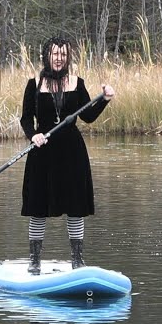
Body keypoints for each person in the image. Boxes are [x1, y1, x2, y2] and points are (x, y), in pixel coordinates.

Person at [20, 36, 116, 274]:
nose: (59, 59)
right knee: (38, 206)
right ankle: (34, 261)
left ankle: (77, 260)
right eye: (55, 54)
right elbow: (25, 118)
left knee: (75, 207)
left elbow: (88, 117)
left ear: (68, 57)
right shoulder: (34, 83)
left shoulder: (76, 82)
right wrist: (34, 136)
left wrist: (104, 99)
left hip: (72, 153)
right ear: (47, 56)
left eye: (63, 55)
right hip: (42, 153)